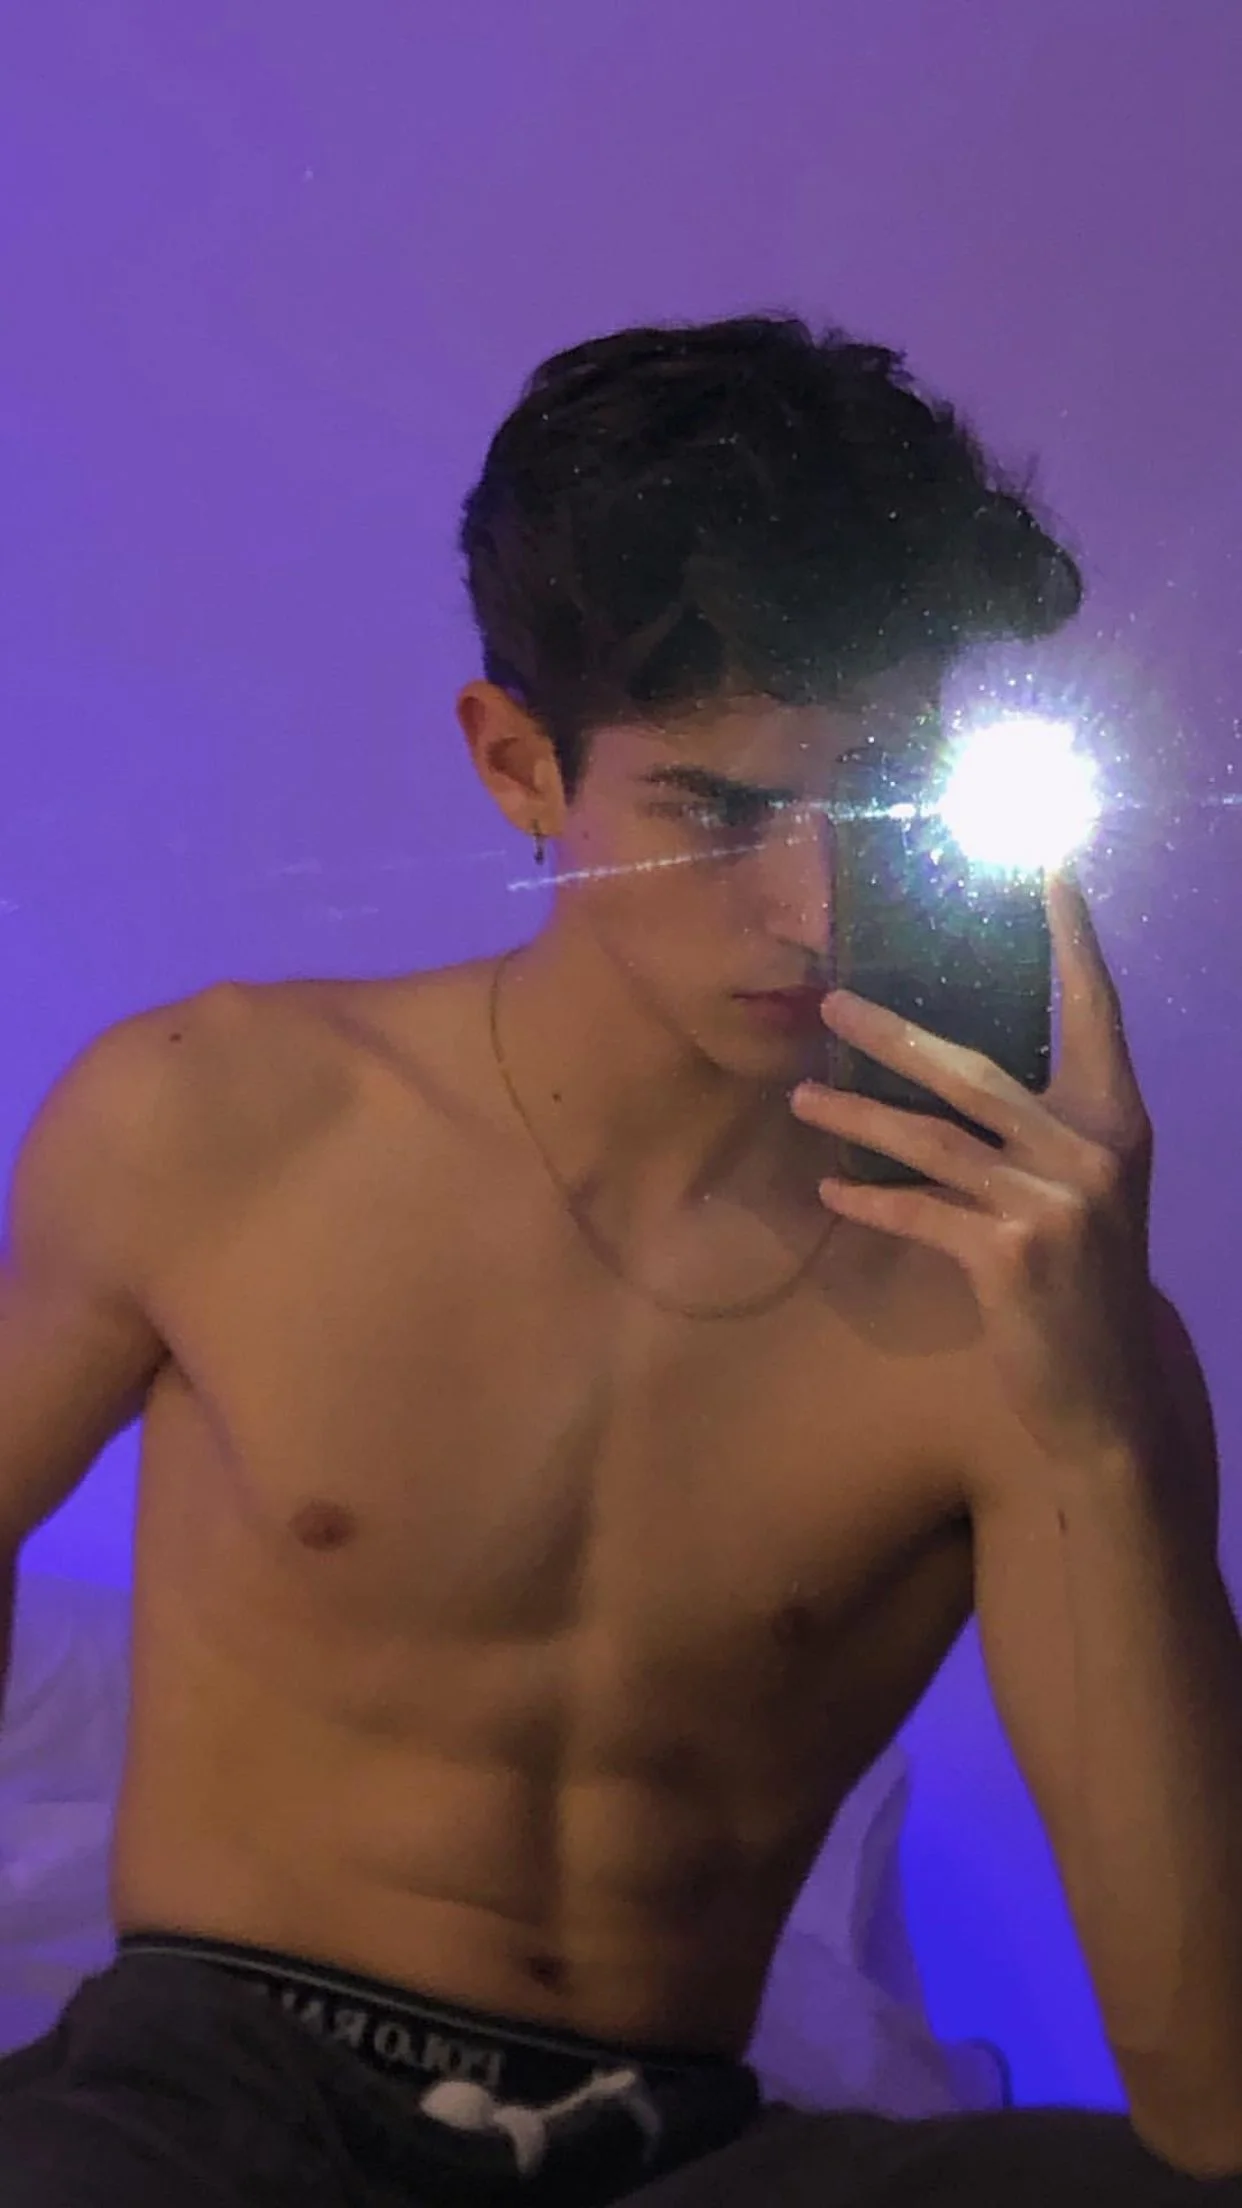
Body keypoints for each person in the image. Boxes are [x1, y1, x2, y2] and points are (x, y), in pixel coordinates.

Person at [0, 314, 1239, 2206]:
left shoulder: (1020, 1308)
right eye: (719, 811)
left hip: (668, 2145)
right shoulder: (217, 1116)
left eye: (879, 798)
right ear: (518, 764)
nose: (809, 905)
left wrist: (1099, 1423)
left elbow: (1216, 2105)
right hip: (208, 2103)